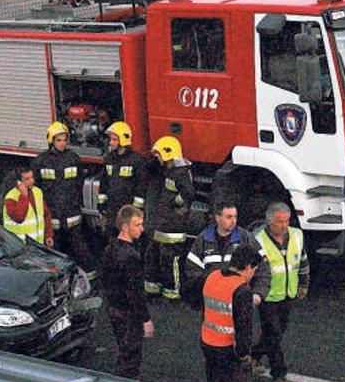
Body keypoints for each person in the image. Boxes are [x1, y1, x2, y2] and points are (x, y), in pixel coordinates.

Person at [249, 201, 309, 382]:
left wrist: (303, 284)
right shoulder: (258, 239)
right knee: (273, 334)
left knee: (277, 331)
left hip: (287, 293)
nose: (284, 226)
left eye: (286, 221)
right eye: (279, 222)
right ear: (269, 222)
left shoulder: (297, 236)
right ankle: (279, 375)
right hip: (266, 295)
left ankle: (254, 355)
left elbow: (302, 260)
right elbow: (251, 269)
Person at [32, 122, 96, 278]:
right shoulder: (40, 161)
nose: (62, 143)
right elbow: (37, 187)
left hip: (71, 212)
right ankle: (60, 278)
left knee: (79, 246)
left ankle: (91, 277)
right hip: (53, 213)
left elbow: (79, 181)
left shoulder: (73, 158)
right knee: (56, 249)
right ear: (51, 141)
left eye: (64, 140)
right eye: (58, 140)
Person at [200, 245, 260, 382]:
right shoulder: (241, 289)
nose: (252, 275)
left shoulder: (212, 276)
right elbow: (243, 326)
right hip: (227, 349)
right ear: (248, 267)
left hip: (207, 341)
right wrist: (244, 353)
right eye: (254, 270)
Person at [100, 205, 154, 379]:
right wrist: (145, 319)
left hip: (113, 309)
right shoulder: (131, 256)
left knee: (124, 350)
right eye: (137, 225)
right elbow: (136, 293)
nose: (142, 229)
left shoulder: (110, 248)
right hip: (128, 315)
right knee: (131, 357)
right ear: (125, 227)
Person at [144, 136, 194, 300]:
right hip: (163, 225)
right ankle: (153, 288)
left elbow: (188, 195)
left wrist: (174, 202)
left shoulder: (181, 173)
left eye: (159, 155)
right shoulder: (168, 170)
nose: (157, 158)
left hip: (173, 229)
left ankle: (173, 292)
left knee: (170, 261)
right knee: (152, 256)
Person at [184, 200, 257, 308]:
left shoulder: (245, 237)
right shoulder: (203, 239)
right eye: (229, 217)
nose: (234, 221)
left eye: (235, 217)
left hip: (238, 300)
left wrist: (258, 293)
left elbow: (262, 266)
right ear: (217, 218)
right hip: (212, 302)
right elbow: (192, 270)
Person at [99, 121, 148, 233]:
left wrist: (136, 211)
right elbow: (104, 183)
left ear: (123, 140)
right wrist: (101, 204)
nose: (110, 143)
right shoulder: (109, 159)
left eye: (114, 139)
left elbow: (141, 188)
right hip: (112, 210)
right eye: (110, 139)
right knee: (112, 239)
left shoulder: (136, 161)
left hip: (128, 211)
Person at [2, 166, 54, 247]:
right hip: (19, 247)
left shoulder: (37, 192)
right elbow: (19, 218)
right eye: (27, 179)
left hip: (37, 246)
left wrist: (48, 235)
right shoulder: (10, 197)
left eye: (32, 177)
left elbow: (45, 214)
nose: (31, 181)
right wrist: (23, 196)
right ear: (18, 182)